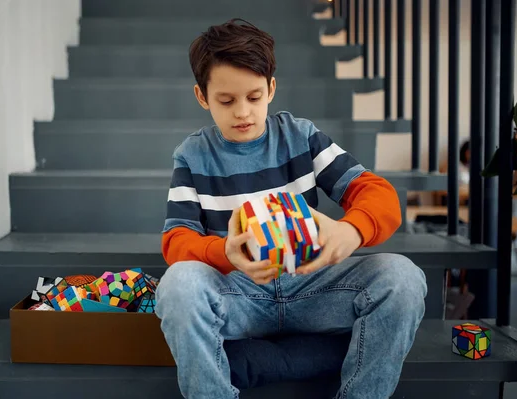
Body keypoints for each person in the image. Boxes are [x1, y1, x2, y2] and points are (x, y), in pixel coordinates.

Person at [154, 19, 428, 399]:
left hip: (313, 284)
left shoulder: (301, 136)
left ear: (271, 88)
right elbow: (176, 241)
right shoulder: (192, 155)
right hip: (240, 294)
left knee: (402, 277)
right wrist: (225, 253)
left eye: (254, 97)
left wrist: (349, 231)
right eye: (226, 101)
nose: (243, 113)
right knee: (178, 286)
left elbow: (376, 193)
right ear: (202, 97)